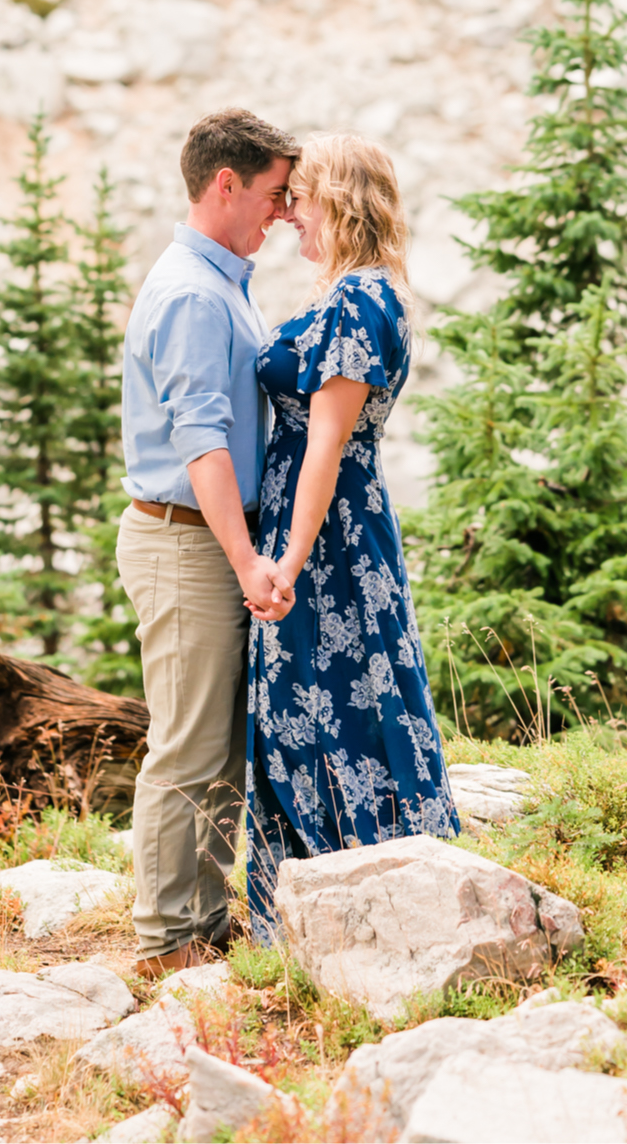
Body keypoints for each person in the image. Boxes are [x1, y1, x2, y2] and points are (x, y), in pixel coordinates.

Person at [246, 132, 459, 938]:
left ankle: (362, 901)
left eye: (300, 199)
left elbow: (326, 446)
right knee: (323, 701)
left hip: (326, 534)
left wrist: (287, 560)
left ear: (336, 199)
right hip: (323, 522)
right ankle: (320, 904)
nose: (290, 215)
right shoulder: (357, 296)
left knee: (332, 701)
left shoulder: (359, 302)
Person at [116, 107, 302, 977]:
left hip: (204, 536)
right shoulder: (194, 293)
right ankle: (163, 940)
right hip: (184, 539)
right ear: (223, 184)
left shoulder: (222, 278)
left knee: (219, 742)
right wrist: (245, 558)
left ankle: (200, 917)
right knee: (188, 744)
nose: (282, 209)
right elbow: (203, 439)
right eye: (273, 193)